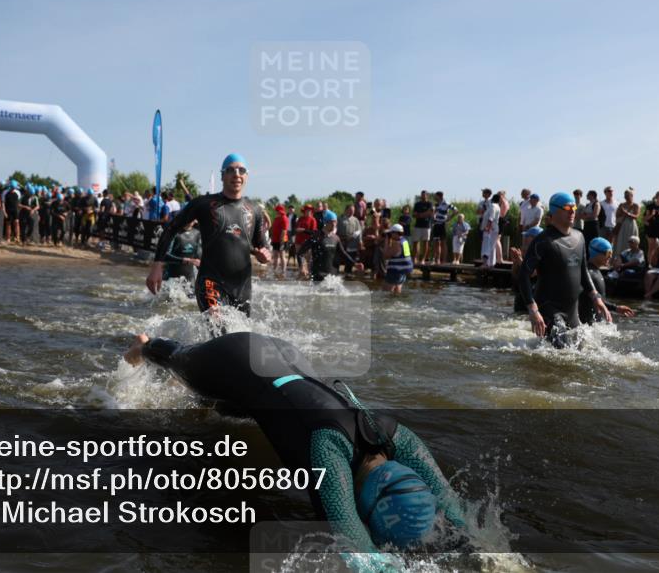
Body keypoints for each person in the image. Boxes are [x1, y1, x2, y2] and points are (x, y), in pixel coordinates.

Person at [123, 331, 466, 564]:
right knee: (179, 359)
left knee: (233, 408)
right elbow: (352, 542)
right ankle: (145, 344)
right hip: (236, 357)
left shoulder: (394, 434)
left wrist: (472, 547)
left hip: (288, 358)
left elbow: (450, 504)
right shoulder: (327, 451)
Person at [146, 154, 270, 317]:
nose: (236, 174)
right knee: (218, 327)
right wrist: (157, 266)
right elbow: (171, 228)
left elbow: (262, 247)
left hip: (242, 287)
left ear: (247, 176)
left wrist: (264, 255)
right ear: (222, 175)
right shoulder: (204, 204)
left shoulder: (254, 210)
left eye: (241, 170)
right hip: (210, 281)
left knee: (239, 337)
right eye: (231, 170)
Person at [519, 192, 611, 347]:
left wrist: (596, 297)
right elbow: (524, 275)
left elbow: (583, 272)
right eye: (568, 207)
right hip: (549, 308)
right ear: (554, 211)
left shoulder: (579, 237)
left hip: (572, 311)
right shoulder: (543, 241)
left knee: (583, 352)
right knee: (562, 352)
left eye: (574, 207)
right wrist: (533, 310)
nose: (572, 211)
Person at [580, 237, 635, 324]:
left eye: (611, 253)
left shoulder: (596, 272)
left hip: (594, 326)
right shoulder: (589, 274)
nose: (610, 256)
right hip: (586, 326)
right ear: (596, 253)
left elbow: (599, 299)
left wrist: (616, 308)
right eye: (608, 253)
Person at [301, 211, 361, 282]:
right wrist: (303, 266)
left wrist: (354, 264)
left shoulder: (336, 238)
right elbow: (301, 253)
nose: (334, 224)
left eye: (335, 222)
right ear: (325, 222)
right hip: (318, 275)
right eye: (332, 222)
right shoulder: (316, 237)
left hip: (332, 276)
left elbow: (343, 254)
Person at [381, 223, 413, 294]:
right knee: (396, 293)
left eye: (391, 233)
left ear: (396, 233)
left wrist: (386, 241)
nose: (390, 235)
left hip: (395, 272)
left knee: (385, 292)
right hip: (403, 272)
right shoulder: (405, 241)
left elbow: (385, 256)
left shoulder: (397, 244)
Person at [642, 191, 659, 264]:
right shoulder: (650, 206)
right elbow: (645, 218)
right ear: (657, 196)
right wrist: (652, 214)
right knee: (651, 247)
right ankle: (649, 264)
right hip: (652, 228)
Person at [611, 188, 640, 260]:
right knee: (621, 242)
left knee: (632, 241)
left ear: (632, 196)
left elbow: (636, 216)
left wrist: (627, 213)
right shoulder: (621, 205)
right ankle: (619, 259)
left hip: (631, 226)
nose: (626, 197)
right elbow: (617, 215)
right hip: (622, 226)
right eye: (625, 196)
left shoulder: (635, 205)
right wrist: (622, 213)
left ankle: (632, 259)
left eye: (628, 195)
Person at [336, 204, 363, 274]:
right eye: (350, 210)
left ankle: (348, 274)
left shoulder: (355, 220)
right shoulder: (340, 219)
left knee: (350, 260)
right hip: (342, 242)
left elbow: (359, 231)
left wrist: (360, 241)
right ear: (346, 210)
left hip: (352, 244)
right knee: (339, 260)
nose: (352, 212)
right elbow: (335, 230)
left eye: (353, 210)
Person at [429, 191, 454, 265]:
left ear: (440, 196)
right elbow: (433, 213)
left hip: (443, 224)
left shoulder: (446, 203)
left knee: (443, 243)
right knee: (436, 242)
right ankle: (437, 260)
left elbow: (456, 210)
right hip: (436, 224)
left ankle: (444, 260)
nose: (434, 197)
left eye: (436, 196)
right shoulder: (436, 205)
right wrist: (433, 216)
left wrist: (449, 218)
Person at [294, 204, 318, 277]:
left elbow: (313, 232)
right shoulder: (300, 218)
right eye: (307, 210)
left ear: (311, 211)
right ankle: (301, 273)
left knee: (308, 258)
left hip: (307, 242)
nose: (308, 211)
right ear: (304, 211)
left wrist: (303, 230)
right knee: (299, 257)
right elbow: (296, 228)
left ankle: (309, 274)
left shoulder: (312, 219)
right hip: (298, 241)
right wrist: (297, 230)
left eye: (310, 210)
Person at [480, 193, 501, 268]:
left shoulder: (493, 206)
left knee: (486, 246)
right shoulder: (497, 206)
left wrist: (487, 228)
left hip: (490, 229)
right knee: (492, 247)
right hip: (494, 229)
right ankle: (491, 264)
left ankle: (485, 264)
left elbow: (491, 218)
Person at [411, 191, 432, 263]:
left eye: (424, 195)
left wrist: (419, 215)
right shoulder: (417, 204)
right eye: (422, 195)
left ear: (427, 196)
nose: (423, 196)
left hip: (426, 226)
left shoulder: (429, 204)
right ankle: (414, 259)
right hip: (418, 226)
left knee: (425, 242)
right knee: (415, 243)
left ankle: (423, 259)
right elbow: (414, 214)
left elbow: (429, 213)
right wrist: (423, 214)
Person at [270, 204, 290, 276]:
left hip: (282, 240)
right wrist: (272, 238)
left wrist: (281, 242)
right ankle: (275, 270)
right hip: (275, 240)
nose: (276, 212)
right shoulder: (276, 218)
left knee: (282, 255)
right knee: (275, 255)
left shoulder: (284, 218)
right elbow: (273, 228)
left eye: (277, 211)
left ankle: (283, 271)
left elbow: (284, 231)